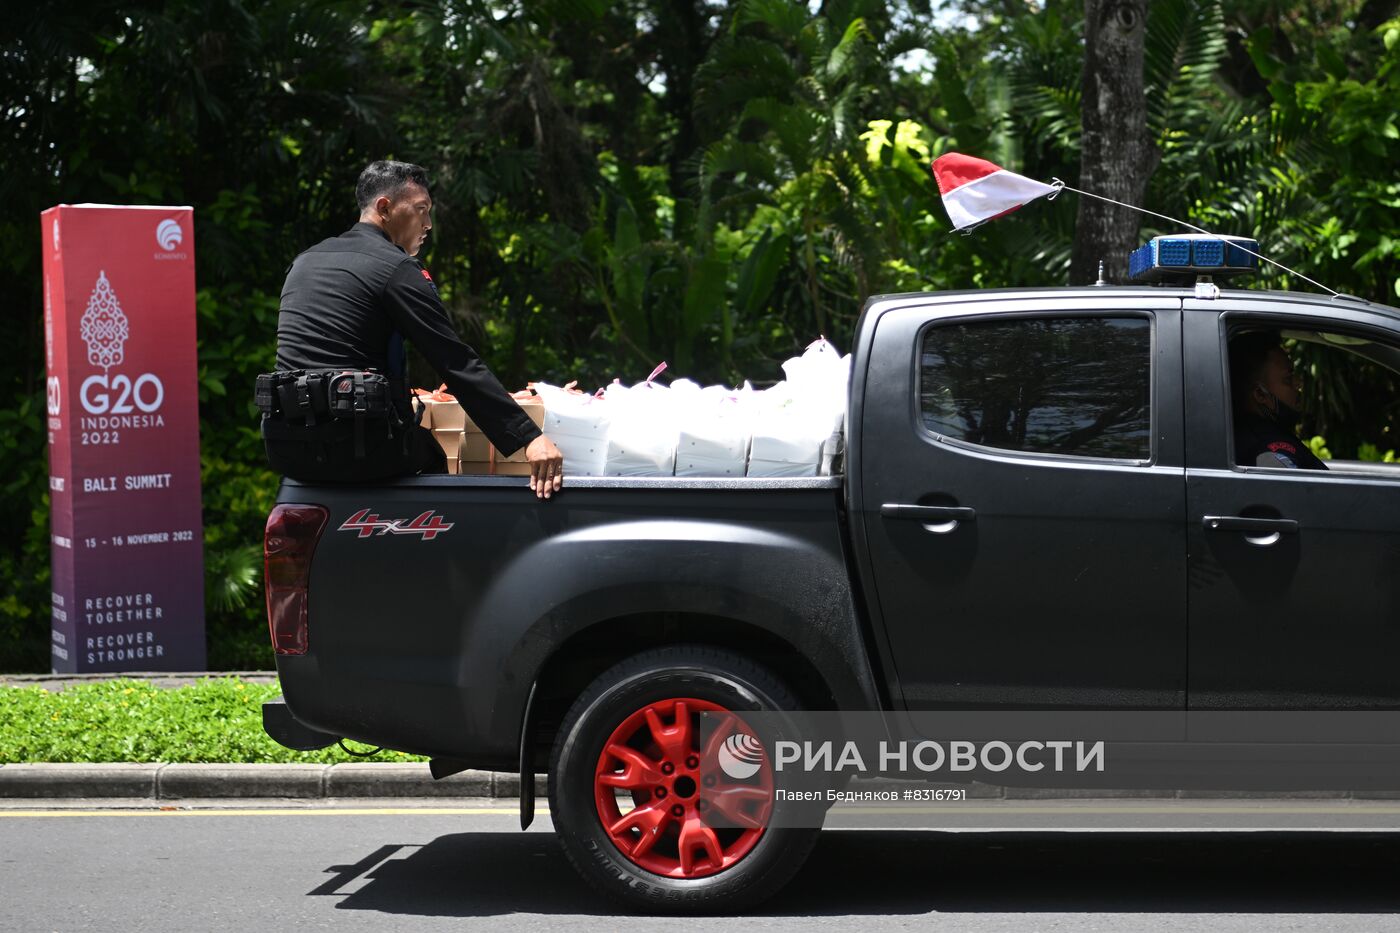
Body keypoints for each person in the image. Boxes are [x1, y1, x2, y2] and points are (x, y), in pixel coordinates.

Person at [264, 160, 564, 498]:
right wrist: (529, 437)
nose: (429, 224)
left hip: (286, 449)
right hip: (355, 451)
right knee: (431, 452)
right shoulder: (395, 268)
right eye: (421, 210)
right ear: (385, 208)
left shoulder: (305, 261)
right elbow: (454, 361)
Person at [1228, 331, 1326, 470]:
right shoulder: (1268, 452)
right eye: (1288, 379)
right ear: (1260, 394)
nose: (1298, 383)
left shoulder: (1255, 435)